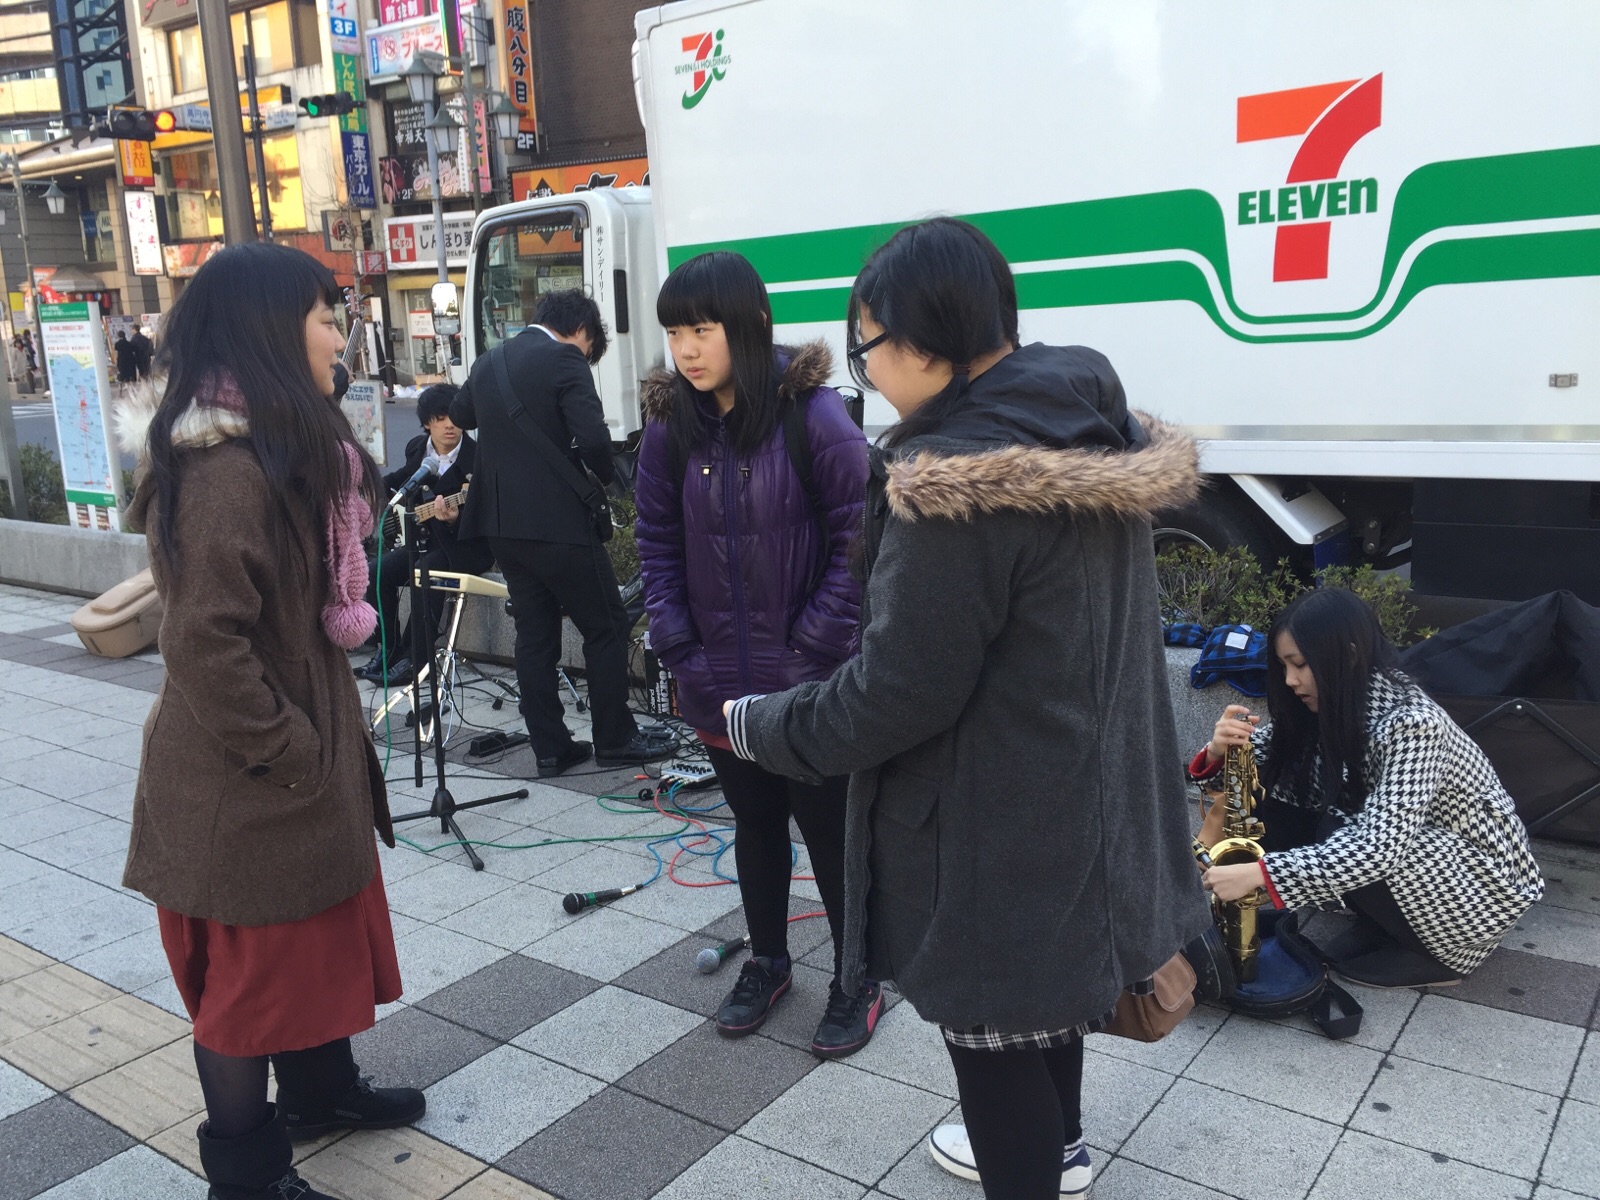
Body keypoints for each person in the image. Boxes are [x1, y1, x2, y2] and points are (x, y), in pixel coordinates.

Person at [719, 218, 1208, 1200]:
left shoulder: (957, 488)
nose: (864, 368)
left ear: (923, 342)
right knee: (1049, 1008)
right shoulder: (1082, 427)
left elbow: (896, 692)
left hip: (999, 827)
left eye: (866, 343)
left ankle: (1035, 1163)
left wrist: (758, 724)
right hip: (1085, 797)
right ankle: (1064, 1147)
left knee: (992, 1044)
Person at [116, 242, 423, 1200]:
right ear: (270, 333)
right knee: (249, 992)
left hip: (286, 770)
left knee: (311, 943)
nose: (339, 337)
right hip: (244, 784)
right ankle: (246, 1175)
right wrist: (296, 752)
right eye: (326, 318)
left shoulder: (283, 449)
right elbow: (204, 646)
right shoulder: (224, 472)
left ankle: (322, 1093)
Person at [634, 251, 878, 1056]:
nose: (687, 350)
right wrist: (683, 650)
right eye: (675, 332)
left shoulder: (815, 417)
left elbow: (861, 543)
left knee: (830, 832)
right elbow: (656, 545)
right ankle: (769, 961)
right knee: (756, 823)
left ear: (749, 324)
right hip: (717, 683)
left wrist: (808, 652)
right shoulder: (670, 428)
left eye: (702, 329)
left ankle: (857, 978)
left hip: (808, 687)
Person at [1195, 587, 1545, 988]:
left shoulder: (1414, 724)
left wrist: (1263, 874)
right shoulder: (1328, 700)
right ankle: (1383, 922)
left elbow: (1380, 846)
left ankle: (1439, 956)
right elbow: (1251, 772)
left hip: (1479, 884)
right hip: (1419, 856)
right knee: (1279, 802)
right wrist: (1219, 750)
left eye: (1301, 664)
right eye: (1283, 665)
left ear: (1349, 655)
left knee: (1344, 831)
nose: (1290, 680)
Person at [450, 289, 674, 775]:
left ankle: (551, 749)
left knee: (535, 637)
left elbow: (461, 414)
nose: (585, 357)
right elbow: (593, 439)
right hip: (559, 526)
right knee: (606, 625)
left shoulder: (489, 362)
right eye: (590, 350)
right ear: (581, 331)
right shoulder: (565, 359)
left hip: (502, 527)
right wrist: (602, 478)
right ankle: (614, 739)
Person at [357, 383, 493, 685]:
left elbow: (487, 512)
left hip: (464, 546)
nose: (450, 425)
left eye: (455, 417)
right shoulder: (418, 448)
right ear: (427, 422)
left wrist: (455, 520)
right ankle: (388, 649)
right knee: (377, 571)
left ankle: (417, 659)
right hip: (425, 540)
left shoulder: (478, 457)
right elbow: (402, 479)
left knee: (425, 571)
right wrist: (372, 492)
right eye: (441, 418)